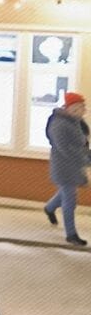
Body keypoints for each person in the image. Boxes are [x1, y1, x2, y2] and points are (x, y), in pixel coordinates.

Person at [44, 91, 91, 247]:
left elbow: (81, 142)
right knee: (70, 199)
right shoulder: (59, 124)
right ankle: (71, 234)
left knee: (64, 193)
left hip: (74, 164)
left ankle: (49, 208)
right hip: (63, 166)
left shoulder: (75, 120)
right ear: (72, 107)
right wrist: (85, 160)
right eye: (81, 107)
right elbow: (65, 149)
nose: (84, 110)